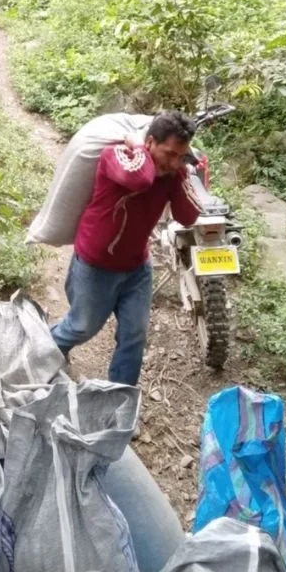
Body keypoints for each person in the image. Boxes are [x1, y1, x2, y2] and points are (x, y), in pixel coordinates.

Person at [50, 111, 202, 387]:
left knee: (135, 335)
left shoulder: (173, 172)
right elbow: (138, 180)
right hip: (96, 265)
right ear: (151, 141)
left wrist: (189, 175)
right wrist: (137, 146)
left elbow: (188, 215)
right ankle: (45, 352)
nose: (173, 162)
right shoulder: (116, 155)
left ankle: (120, 400)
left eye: (181, 155)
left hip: (136, 268)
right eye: (169, 153)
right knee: (81, 327)